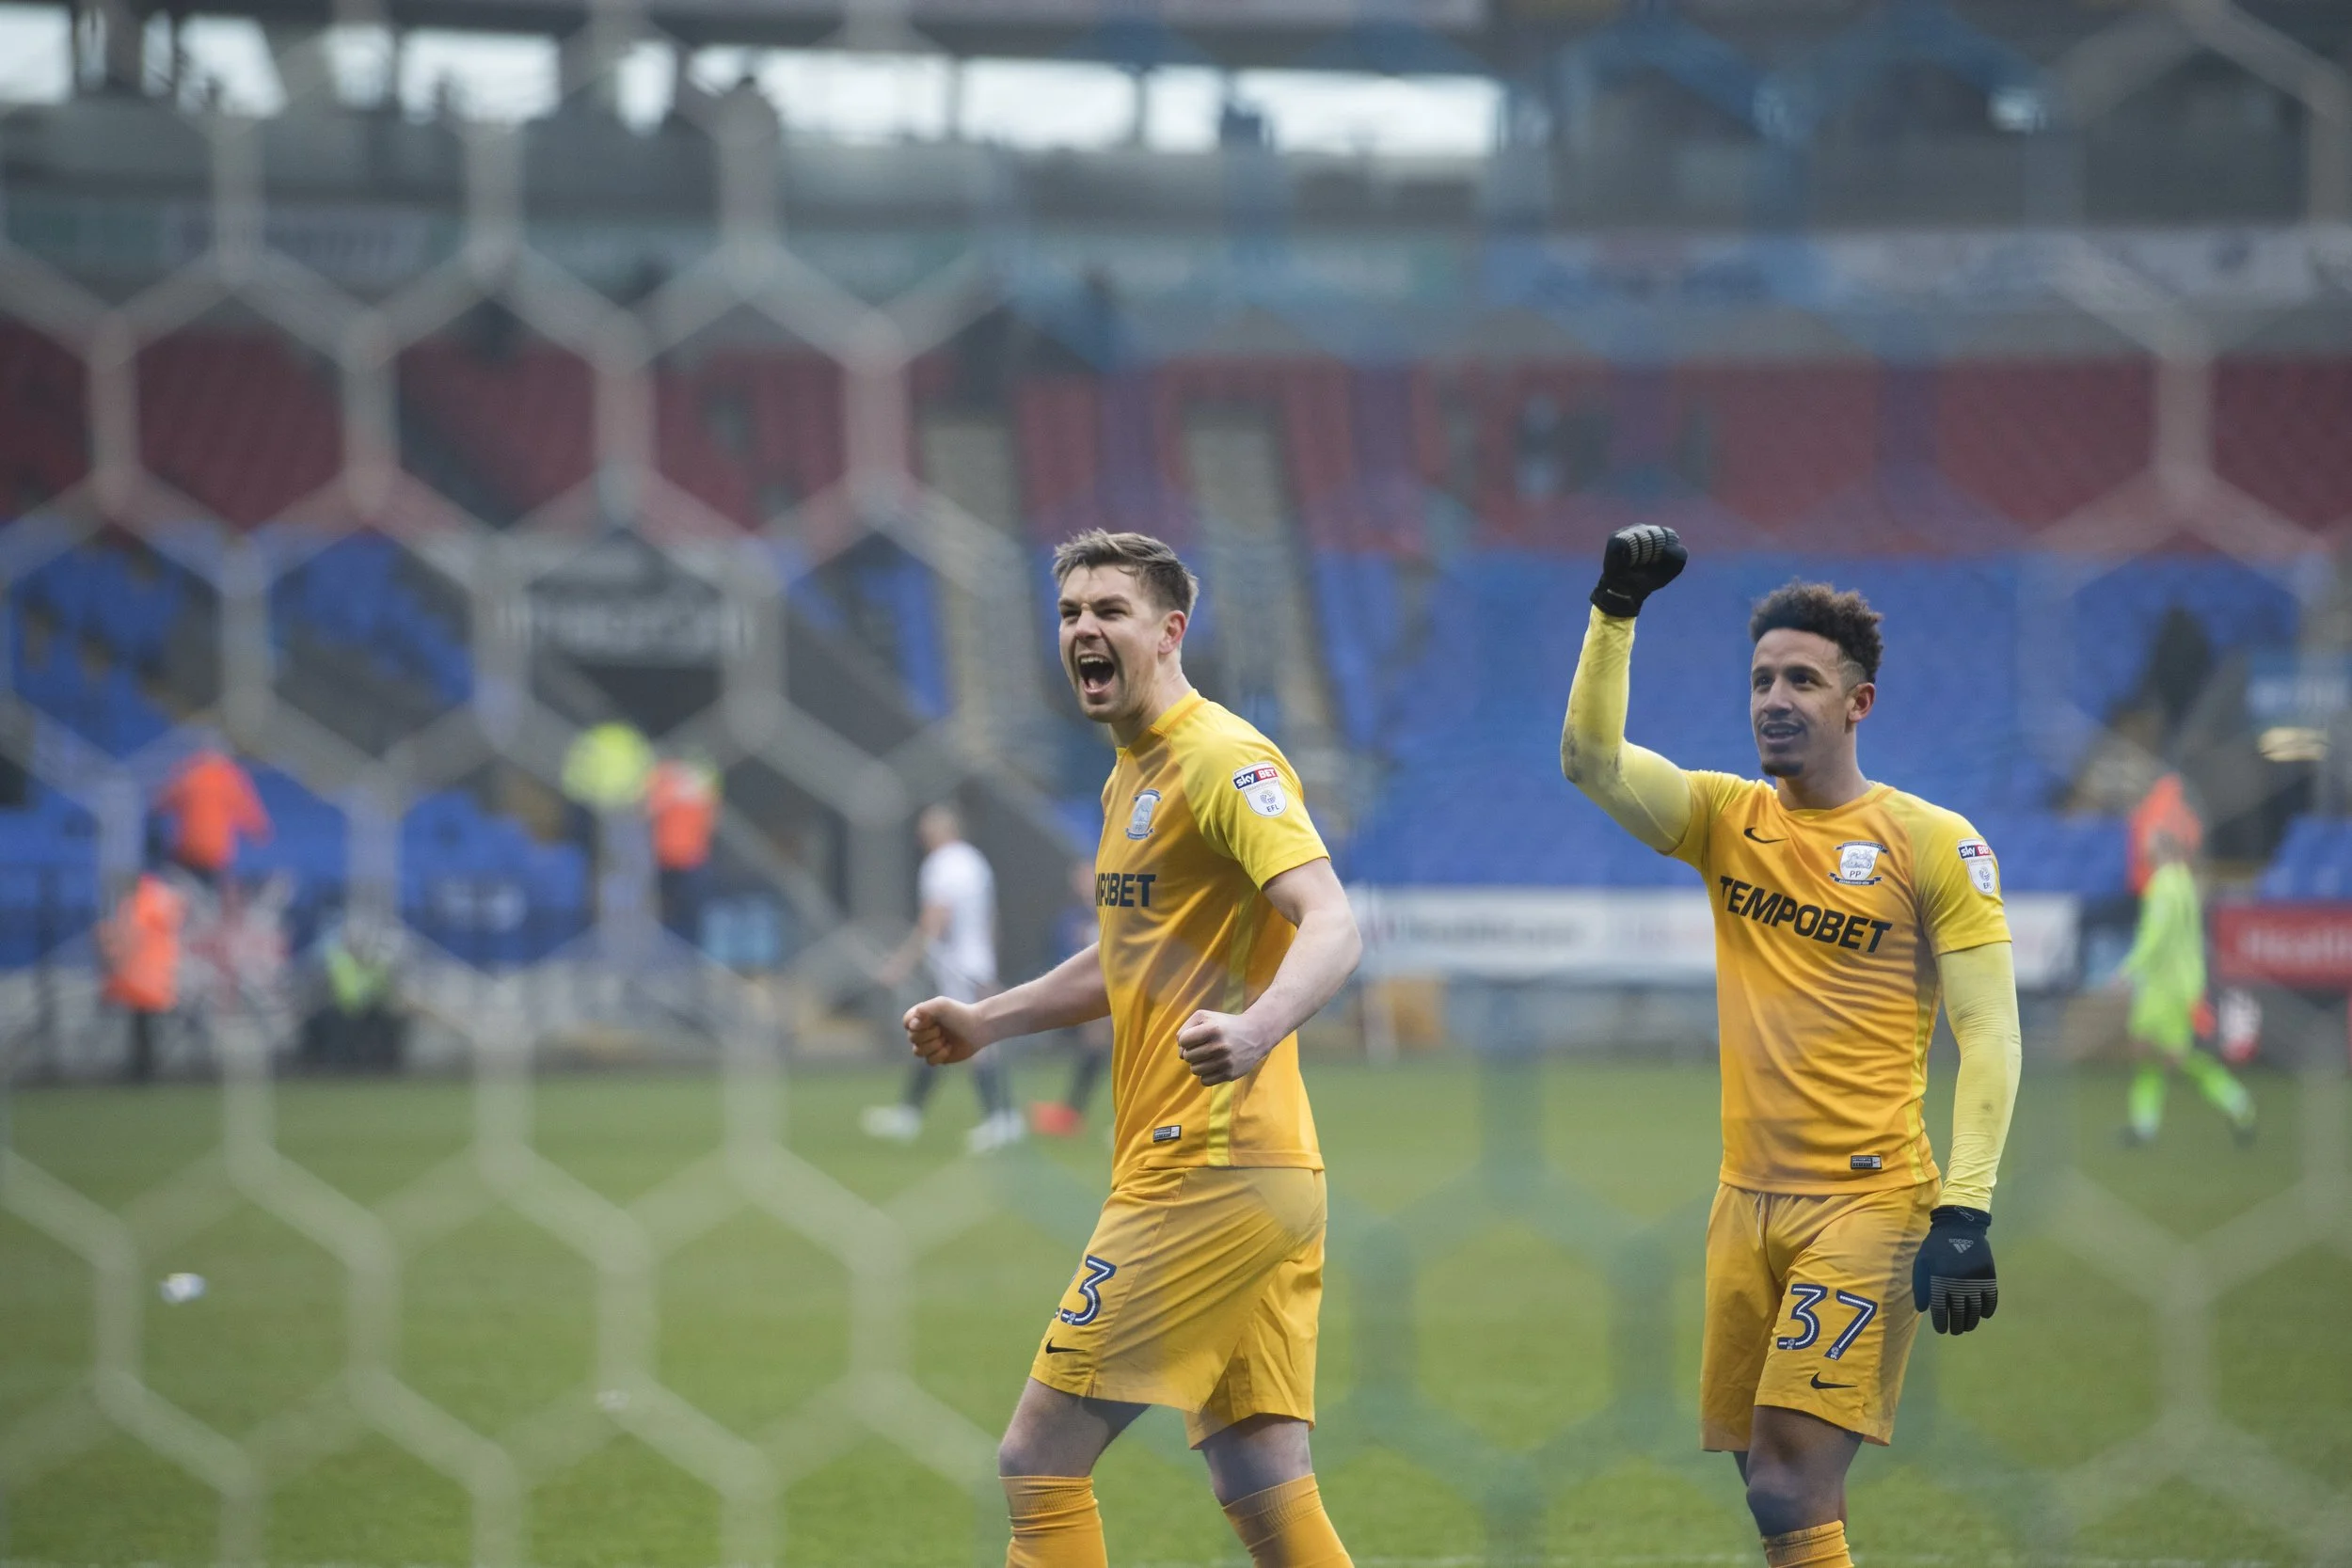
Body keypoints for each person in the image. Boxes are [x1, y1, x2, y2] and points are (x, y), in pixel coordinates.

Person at [1560, 524, 2020, 1568]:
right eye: (1763, 676)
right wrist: (1613, 614)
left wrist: (1966, 1207)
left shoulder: (1932, 840)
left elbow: (1988, 1025)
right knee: (1773, 1494)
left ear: (1857, 703)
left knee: (1785, 1481)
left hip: (1868, 1201)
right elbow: (1589, 759)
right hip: (1743, 1202)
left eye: (1804, 679)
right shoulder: (1726, 818)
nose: (1775, 695)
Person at [902, 530, 1363, 1568]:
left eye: (1107, 609)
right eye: (1068, 613)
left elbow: (1331, 919)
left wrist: (1254, 1027)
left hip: (1208, 1163)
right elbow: (1126, 964)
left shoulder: (1223, 757)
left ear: (1169, 629)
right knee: (1258, 1473)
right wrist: (988, 1019)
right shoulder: (1129, 778)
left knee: (1038, 1458)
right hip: (1252, 1169)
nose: (1082, 631)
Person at [863, 803, 1025, 1154]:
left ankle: (1003, 1118)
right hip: (977, 963)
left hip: (957, 967)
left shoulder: (941, 865)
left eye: (926, 829)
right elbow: (990, 917)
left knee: (973, 1041)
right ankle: (910, 1114)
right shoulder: (975, 861)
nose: (921, 836)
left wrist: (901, 963)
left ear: (941, 830)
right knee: (941, 1037)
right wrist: (990, 962)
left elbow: (936, 918)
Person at [2118, 830, 2253, 1147]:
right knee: (2147, 1050)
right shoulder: (2184, 882)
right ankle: (2144, 1126)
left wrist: (2129, 968)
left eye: (2149, 843)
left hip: (2167, 986)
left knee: (2175, 1055)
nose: (2143, 849)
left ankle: (2238, 1103)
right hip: (2178, 982)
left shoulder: (2164, 885)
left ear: (2162, 847)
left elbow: (2157, 935)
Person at [1029, 858, 1112, 1138]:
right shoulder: (1079, 916)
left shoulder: (1113, 908)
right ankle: (1073, 1112)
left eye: (1086, 876)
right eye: (1078, 878)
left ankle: (1075, 1112)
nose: (1081, 883)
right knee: (1098, 1047)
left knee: (1126, 1050)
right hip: (1104, 989)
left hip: (1123, 987)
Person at [102, 859, 186, 1082]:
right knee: (146, 1025)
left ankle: (143, 1070)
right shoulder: (163, 896)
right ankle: (147, 1068)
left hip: (142, 972)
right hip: (158, 970)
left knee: (142, 1026)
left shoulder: (140, 901)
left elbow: (132, 934)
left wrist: (110, 943)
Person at [154, 744, 269, 887]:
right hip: (215, 857)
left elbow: (159, 804)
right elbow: (257, 827)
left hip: (186, 853)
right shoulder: (231, 778)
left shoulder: (189, 773)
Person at [646, 751, 720, 943]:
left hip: (689, 856)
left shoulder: (695, 776)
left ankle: (687, 954)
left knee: (691, 911)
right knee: (669, 911)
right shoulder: (662, 775)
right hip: (667, 857)